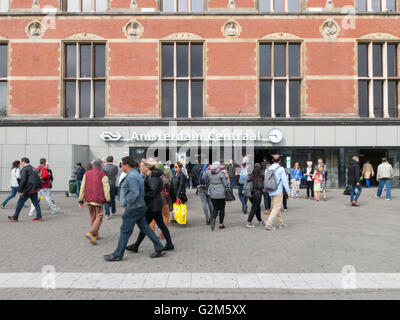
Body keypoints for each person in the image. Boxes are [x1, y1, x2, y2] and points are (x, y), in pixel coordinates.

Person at [104, 156, 165, 261]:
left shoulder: (132, 176)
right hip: (139, 206)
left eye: (122, 164)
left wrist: (126, 202)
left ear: (126, 165)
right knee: (145, 228)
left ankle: (118, 254)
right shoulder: (135, 174)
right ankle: (159, 247)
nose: (121, 167)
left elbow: (134, 193)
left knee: (125, 231)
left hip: (133, 208)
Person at [126, 158, 174, 253]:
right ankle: (169, 244)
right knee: (160, 225)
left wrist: (141, 196)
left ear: (147, 167)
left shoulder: (153, 178)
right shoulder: (150, 176)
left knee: (145, 226)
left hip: (153, 206)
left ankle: (137, 246)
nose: (140, 167)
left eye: (141, 166)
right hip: (155, 205)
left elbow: (152, 193)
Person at [78, 159, 111, 245]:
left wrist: (80, 200)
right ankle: (92, 232)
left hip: (88, 199)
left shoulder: (86, 174)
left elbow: (82, 187)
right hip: (98, 199)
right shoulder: (103, 175)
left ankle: (95, 235)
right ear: (101, 166)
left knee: (92, 216)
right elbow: (106, 188)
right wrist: (108, 199)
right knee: (99, 216)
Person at [8, 157, 43, 222]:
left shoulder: (25, 169)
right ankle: (39, 217)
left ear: (24, 162)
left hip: (28, 190)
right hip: (35, 189)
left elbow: (23, 180)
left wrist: (21, 190)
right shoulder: (33, 168)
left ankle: (15, 217)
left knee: (20, 202)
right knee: (36, 203)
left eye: (21, 162)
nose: (21, 163)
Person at [264, 154, 290, 231]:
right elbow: (285, 181)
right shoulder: (281, 169)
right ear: (280, 161)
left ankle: (281, 223)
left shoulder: (268, 169)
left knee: (276, 207)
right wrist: (288, 191)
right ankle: (269, 223)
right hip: (278, 190)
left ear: (272, 160)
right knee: (276, 207)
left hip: (270, 190)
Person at [205, 161, 230, 231]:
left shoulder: (209, 173)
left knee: (215, 208)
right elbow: (226, 184)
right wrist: (228, 180)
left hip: (212, 194)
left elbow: (207, 181)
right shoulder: (221, 173)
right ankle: (221, 224)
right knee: (222, 208)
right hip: (221, 194)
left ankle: (213, 219)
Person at [149, 162, 171, 238]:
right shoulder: (163, 178)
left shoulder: (151, 176)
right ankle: (163, 233)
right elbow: (168, 187)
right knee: (166, 215)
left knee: (152, 217)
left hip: (153, 200)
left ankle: (151, 232)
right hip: (163, 200)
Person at [246, 163, 265, 228]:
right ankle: (249, 222)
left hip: (250, 195)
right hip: (257, 195)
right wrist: (263, 187)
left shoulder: (250, 176)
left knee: (257, 208)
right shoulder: (259, 177)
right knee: (254, 208)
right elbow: (260, 186)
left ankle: (260, 220)